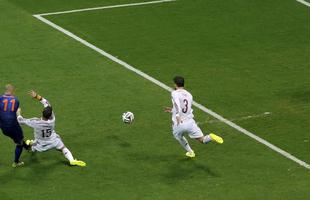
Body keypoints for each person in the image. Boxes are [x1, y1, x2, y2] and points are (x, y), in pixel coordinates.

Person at [17, 90, 86, 167]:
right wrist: (37, 96)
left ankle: (30, 145)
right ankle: (72, 160)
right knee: (63, 148)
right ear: (50, 115)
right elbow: (46, 103)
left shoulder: (35, 122)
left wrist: (18, 113)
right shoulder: (52, 119)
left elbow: (21, 121)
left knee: (31, 148)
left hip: (40, 144)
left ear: (42, 112)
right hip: (53, 141)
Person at [165, 76, 223, 158]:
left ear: (175, 84)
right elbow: (185, 109)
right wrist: (172, 110)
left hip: (179, 123)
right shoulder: (189, 95)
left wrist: (177, 115)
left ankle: (191, 152)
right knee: (202, 140)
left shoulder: (174, 93)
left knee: (178, 136)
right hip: (190, 122)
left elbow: (178, 104)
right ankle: (210, 137)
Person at [0, 84, 30, 167]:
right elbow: (15, 112)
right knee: (19, 142)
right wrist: (19, 114)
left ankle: (27, 147)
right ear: (12, 90)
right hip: (13, 126)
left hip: (3, 127)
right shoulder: (16, 100)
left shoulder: (0, 98)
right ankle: (16, 162)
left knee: (18, 138)